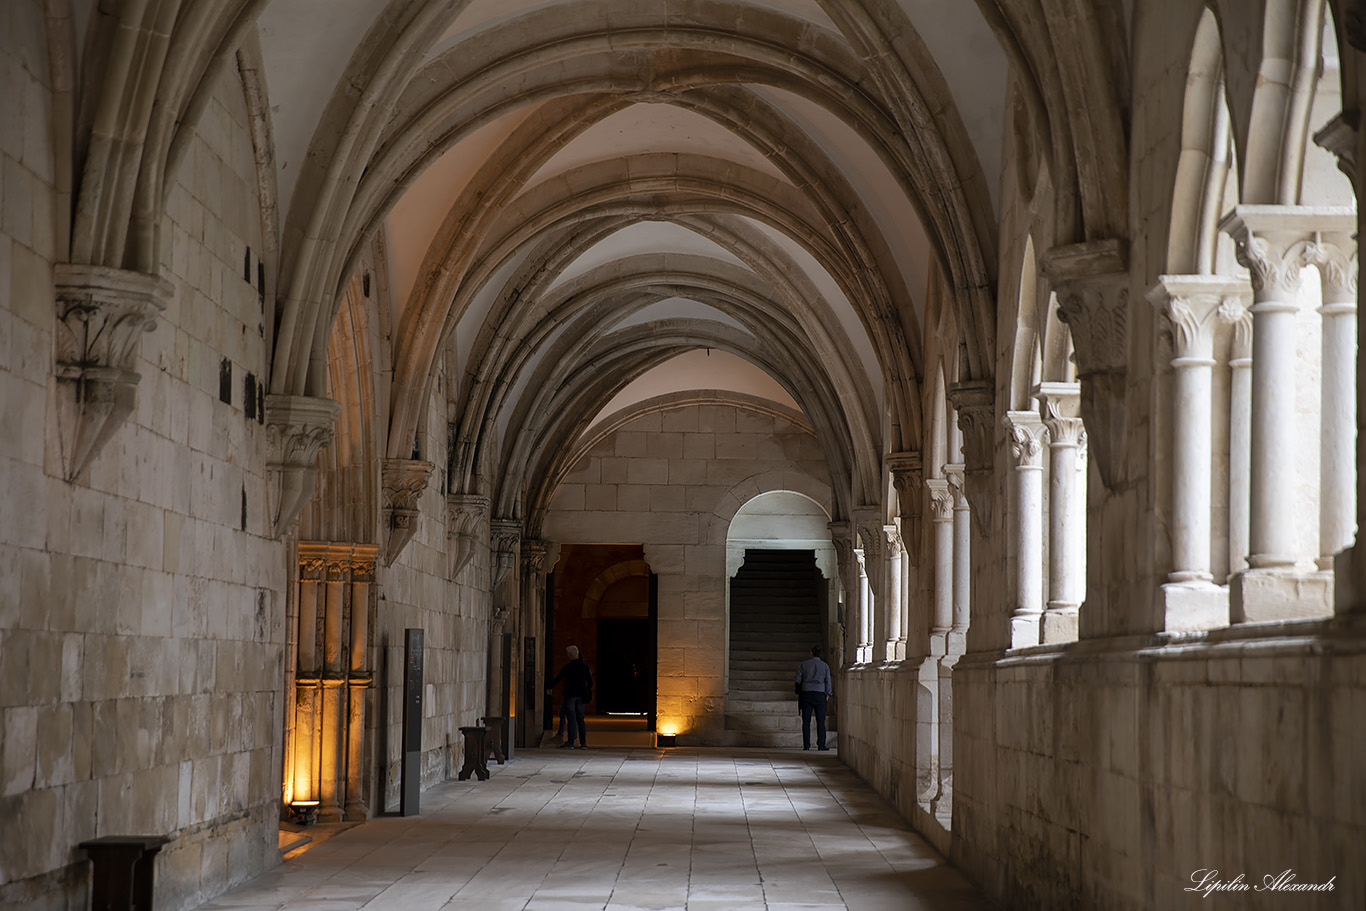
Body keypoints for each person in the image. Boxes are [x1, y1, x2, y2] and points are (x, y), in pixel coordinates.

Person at [546, 645, 592, 749]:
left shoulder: (568, 667)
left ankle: (571, 742)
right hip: (580, 697)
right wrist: (586, 690)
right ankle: (583, 743)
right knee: (580, 719)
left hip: (570, 696)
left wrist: (549, 686)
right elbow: (590, 682)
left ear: (570, 655)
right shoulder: (585, 667)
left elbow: (558, 678)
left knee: (571, 719)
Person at [795, 645, 833, 751]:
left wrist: (799, 690)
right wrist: (828, 694)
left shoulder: (804, 664)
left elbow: (798, 679)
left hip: (807, 693)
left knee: (806, 721)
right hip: (820, 694)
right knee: (821, 721)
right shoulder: (825, 666)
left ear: (811, 653)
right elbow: (828, 681)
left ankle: (806, 745)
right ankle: (821, 745)